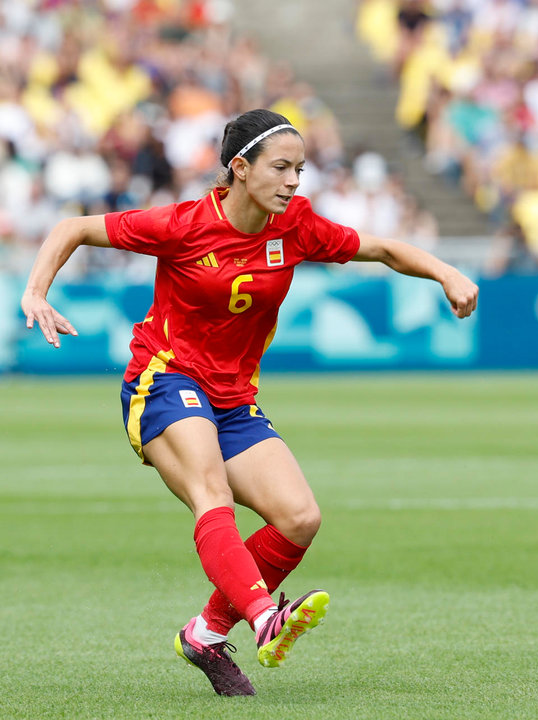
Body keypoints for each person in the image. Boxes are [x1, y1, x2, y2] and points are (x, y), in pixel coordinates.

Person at [21, 109, 479, 696]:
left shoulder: (297, 226)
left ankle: (206, 634)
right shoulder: (184, 224)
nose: (294, 181)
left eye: (301, 169)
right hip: (163, 379)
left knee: (299, 518)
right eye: (282, 168)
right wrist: (36, 291)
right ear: (239, 168)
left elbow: (384, 249)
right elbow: (72, 227)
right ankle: (266, 619)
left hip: (233, 399)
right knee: (211, 494)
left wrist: (446, 273)